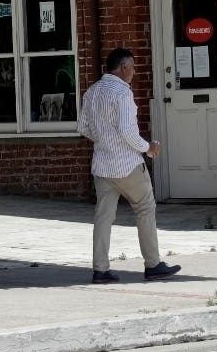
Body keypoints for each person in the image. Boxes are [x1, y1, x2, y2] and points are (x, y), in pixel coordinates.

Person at [77, 48, 181, 284]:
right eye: (132, 67)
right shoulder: (122, 93)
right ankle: (153, 264)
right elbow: (127, 131)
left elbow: (83, 127)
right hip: (127, 164)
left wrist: (105, 140)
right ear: (123, 67)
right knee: (144, 208)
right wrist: (148, 148)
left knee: (103, 217)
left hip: (102, 164)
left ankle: (100, 269)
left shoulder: (92, 92)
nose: (134, 72)